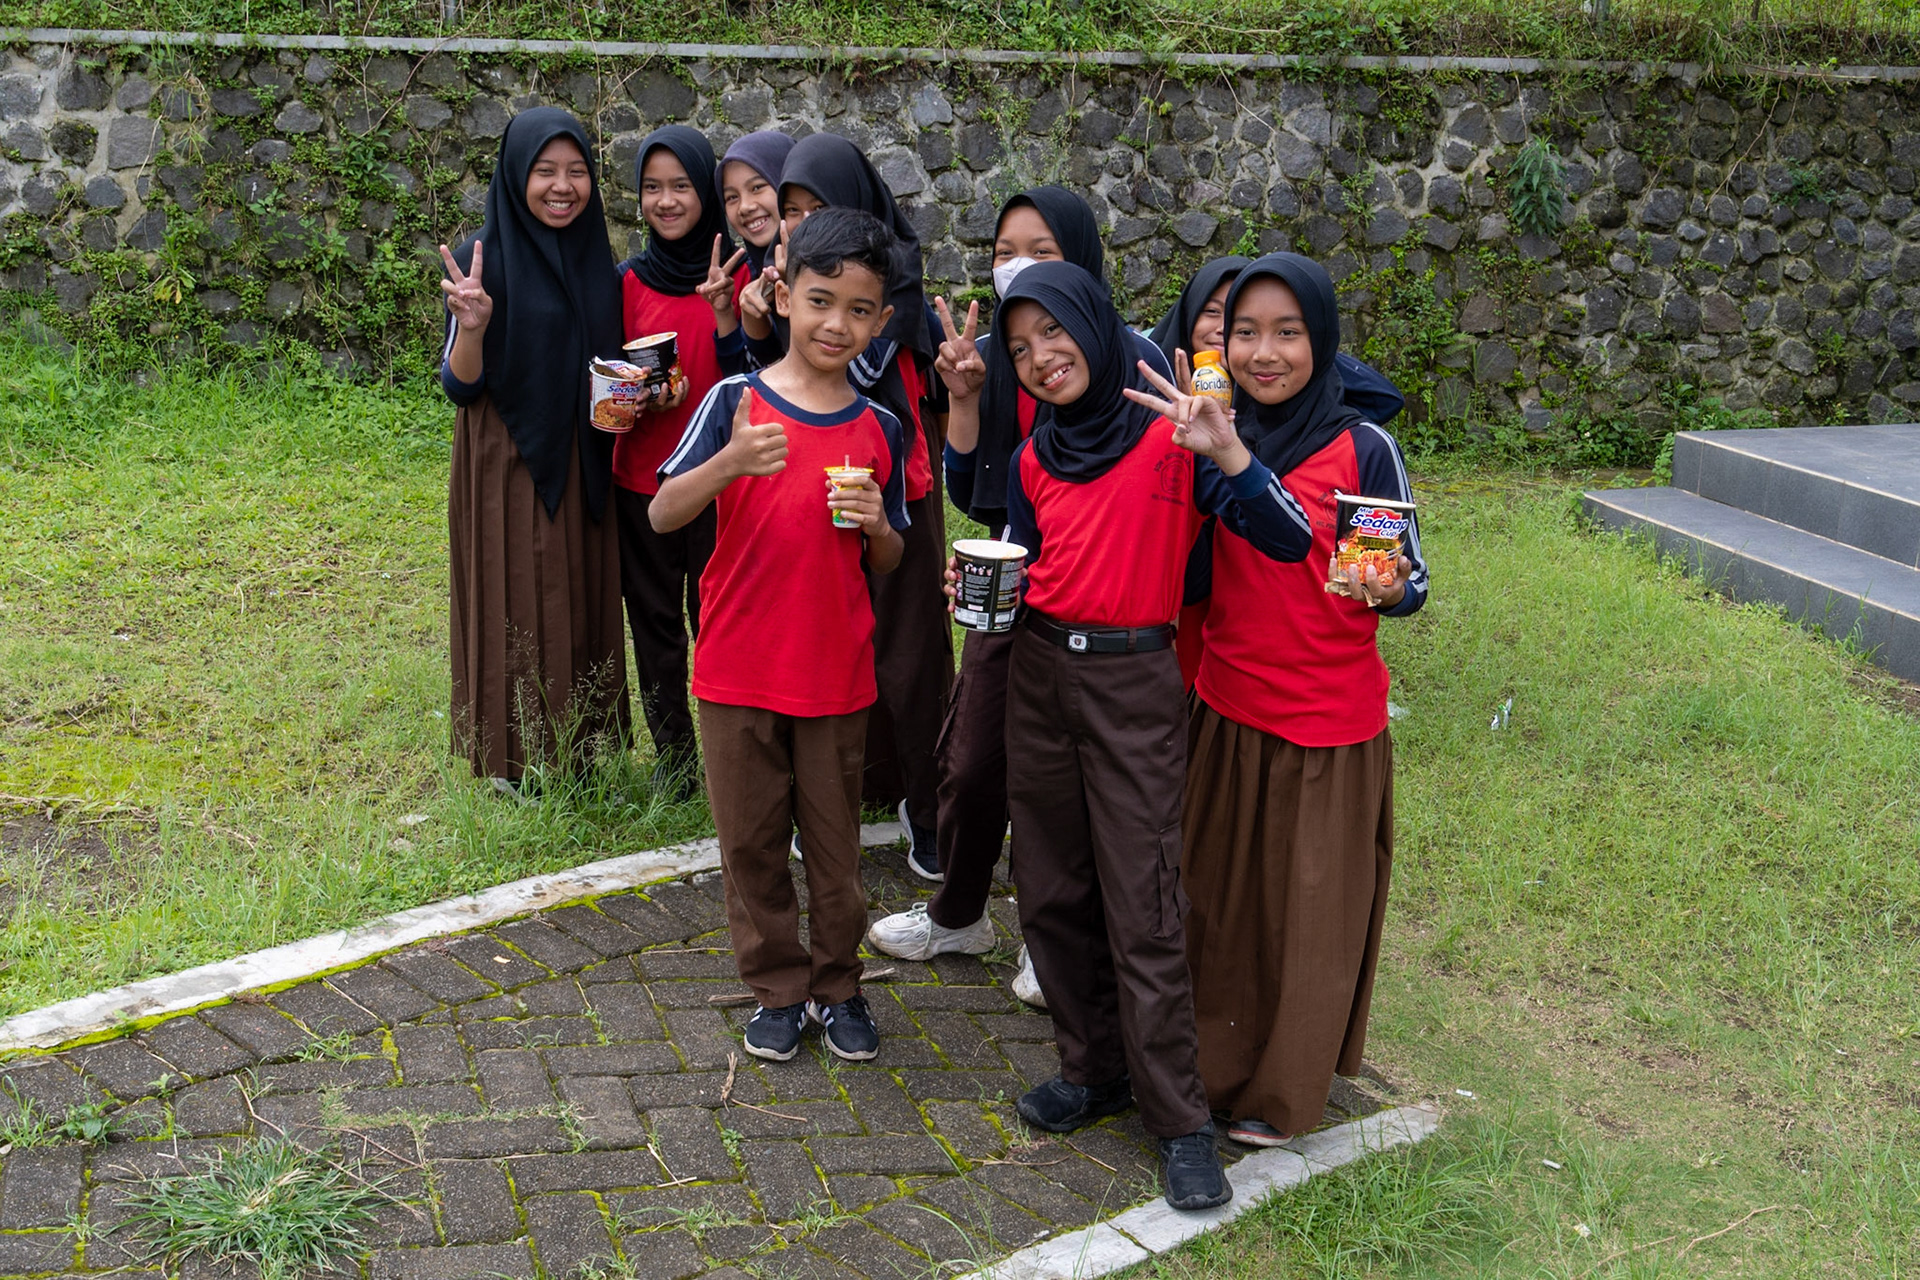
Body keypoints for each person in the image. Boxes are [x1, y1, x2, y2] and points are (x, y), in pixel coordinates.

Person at [992, 261, 1315, 1212]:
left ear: (1092, 329)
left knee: (1145, 901)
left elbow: (1292, 544)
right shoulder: (1034, 458)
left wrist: (1226, 455)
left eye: (1053, 334)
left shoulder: (1175, 439)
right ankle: (1091, 1070)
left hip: (1135, 676)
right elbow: (1023, 561)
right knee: (1049, 884)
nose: (1041, 359)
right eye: (1020, 349)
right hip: (1038, 667)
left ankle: (1179, 1122)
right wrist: (982, 598)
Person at [864, 188, 1169, 1007]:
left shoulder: (1133, 356)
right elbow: (973, 490)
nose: (1018, 266)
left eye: (1042, 248)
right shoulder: (1000, 351)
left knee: (1061, 784)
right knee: (972, 756)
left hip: (1103, 606)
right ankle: (961, 915)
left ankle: (1053, 937)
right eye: (1004, 251)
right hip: (1012, 580)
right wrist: (964, 397)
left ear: (1083, 260)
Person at [650, 209, 911, 1064]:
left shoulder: (879, 426)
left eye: (860, 310)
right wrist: (728, 463)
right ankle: (776, 986)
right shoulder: (734, 401)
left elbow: (890, 555)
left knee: (836, 854)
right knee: (751, 844)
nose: (837, 324)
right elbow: (662, 511)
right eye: (821, 300)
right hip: (734, 667)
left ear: (880, 320)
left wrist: (876, 522)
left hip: (833, 673)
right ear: (785, 294)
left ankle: (839, 986)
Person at [1181, 252, 1428, 1148]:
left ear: (1320, 341)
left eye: (1287, 332)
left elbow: (1406, 584)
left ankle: (1281, 1097)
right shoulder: (1211, 425)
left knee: (1307, 922)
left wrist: (1388, 587)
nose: (1265, 351)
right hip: (1226, 705)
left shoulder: (1362, 444)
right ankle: (1206, 1070)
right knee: (1217, 905)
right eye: (1246, 331)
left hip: (1327, 725)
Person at [439, 107, 629, 790]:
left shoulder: (597, 262)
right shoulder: (477, 260)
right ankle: (509, 761)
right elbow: (459, 388)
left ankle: (577, 748)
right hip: (506, 452)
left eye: (577, 171)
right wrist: (473, 326)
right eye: (546, 171)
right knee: (514, 591)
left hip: (584, 454)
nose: (563, 186)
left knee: (574, 589)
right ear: (516, 174)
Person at [777, 133, 952, 871]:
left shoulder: (897, 287)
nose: (801, 221)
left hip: (896, 489)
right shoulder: (778, 286)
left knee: (909, 655)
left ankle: (931, 805)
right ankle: (840, 791)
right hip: (811, 493)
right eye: (791, 209)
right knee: (824, 643)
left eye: (820, 205)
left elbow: (875, 366)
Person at [611, 126, 750, 801]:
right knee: (655, 623)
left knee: (720, 621)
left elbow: (752, 377)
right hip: (640, 481)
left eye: (682, 187)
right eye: (652, 188)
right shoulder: (628, 281)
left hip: (721, 485)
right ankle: (676, 765)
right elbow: (605, 393)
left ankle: (735, 757)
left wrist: (723, 309)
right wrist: (630, 398)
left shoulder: (739, 272)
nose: (666, 201)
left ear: (706, 191)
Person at [716, 130, 796, 369]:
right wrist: (729, 313)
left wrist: (800, 283)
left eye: (757, 187)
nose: (745, 207)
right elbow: (753, 375)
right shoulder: (755, 274)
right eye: (731, 197)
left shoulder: (842, 262)